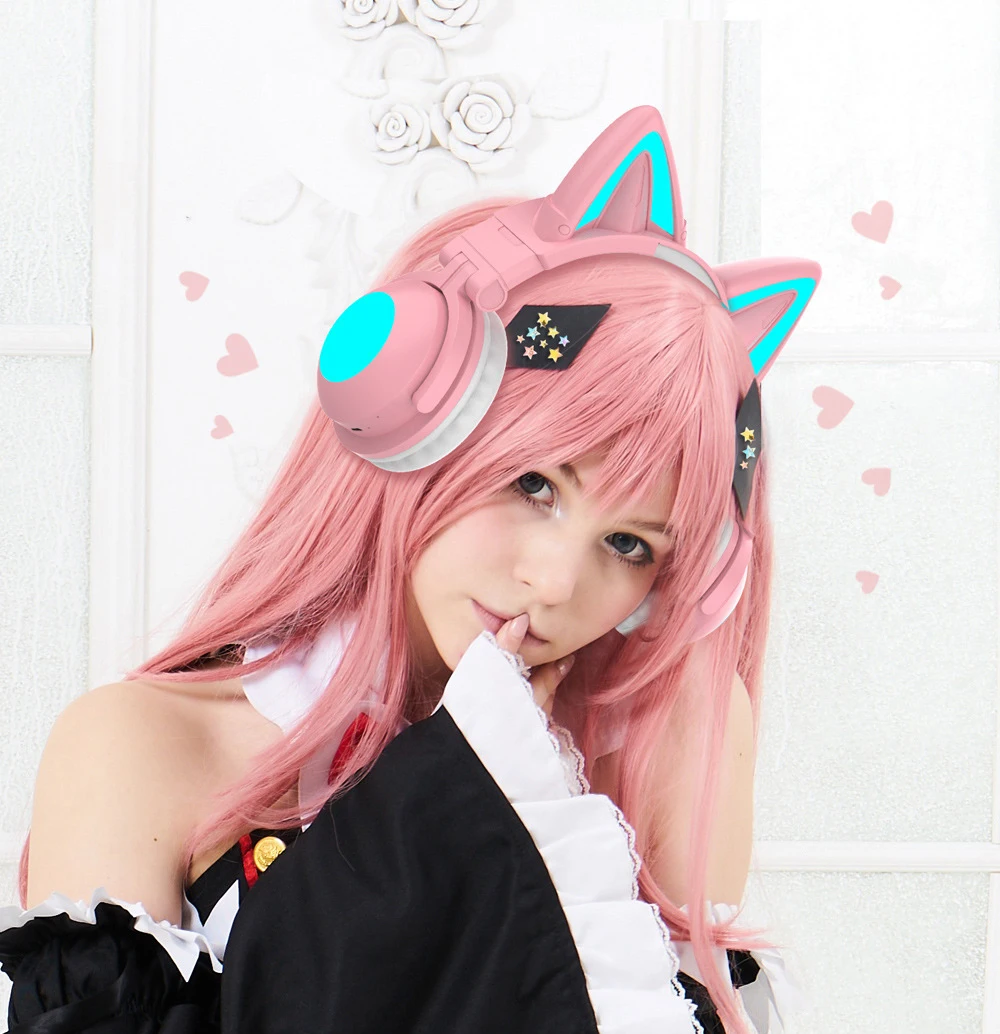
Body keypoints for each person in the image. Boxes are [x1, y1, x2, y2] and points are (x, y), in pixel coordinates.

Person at [0, 106, 820, 1033]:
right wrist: (454, 795)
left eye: (631, 546)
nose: (557, 582)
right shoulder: (141, 748)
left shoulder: (666, 738)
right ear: (407, 413)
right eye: (534, 483)